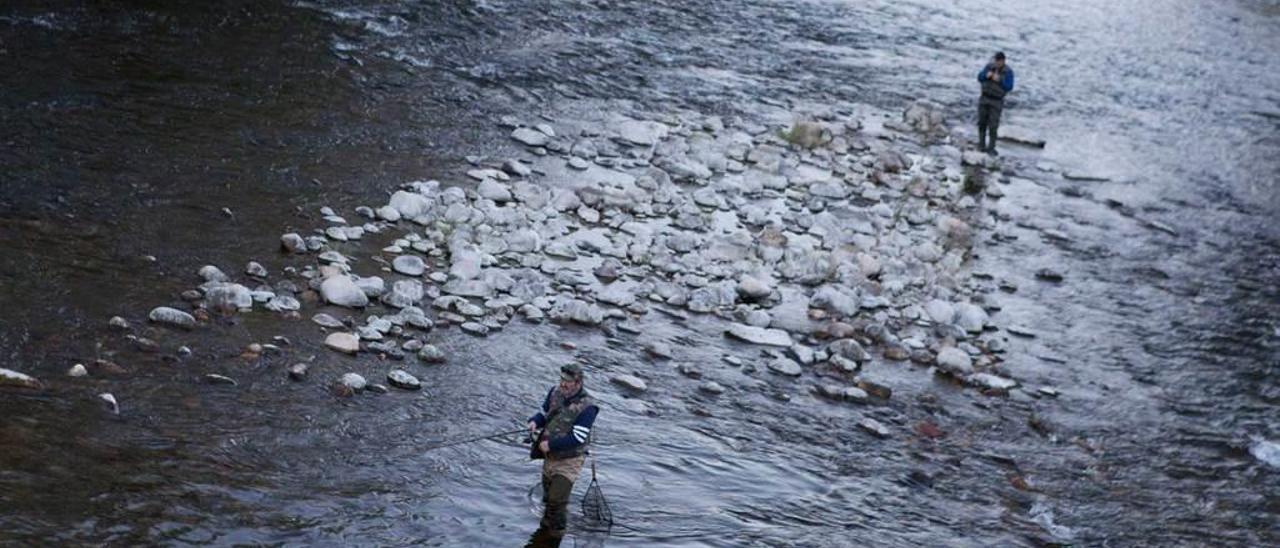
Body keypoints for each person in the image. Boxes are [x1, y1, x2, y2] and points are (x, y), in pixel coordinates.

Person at [527, 363, 600, 538]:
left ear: (578, 382)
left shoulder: (588, 407)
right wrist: (535, 421)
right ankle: (545, 528)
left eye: (567, 381)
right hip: (549, 457)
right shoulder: (555, 392)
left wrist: (550, 444)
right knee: (547, 498)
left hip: (570, 460)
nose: (563, 384)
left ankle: (555, 535)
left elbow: (578, 438)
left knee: (557, 500)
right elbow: (545, 414)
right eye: (561, 379)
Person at [976, 51, 1015, 155]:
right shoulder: (989, 67)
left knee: (993, 125)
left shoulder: (1008, 72)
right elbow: (979, 77)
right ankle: (981, 145)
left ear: (1003, 61)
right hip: (984, 97)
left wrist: (1000, 80)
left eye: (999, 61)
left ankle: (991, 147)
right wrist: (986, 75)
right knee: (982, 122)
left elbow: (1009, 87)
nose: (996, 63)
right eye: (995, 60)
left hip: (996, 101)